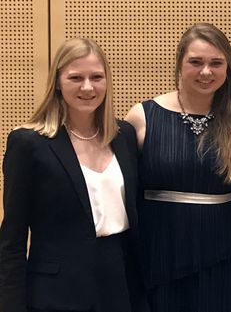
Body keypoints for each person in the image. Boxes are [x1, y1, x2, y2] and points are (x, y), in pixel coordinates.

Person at [0, 38, 147, 312]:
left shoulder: (123, 136)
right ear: (57, 82)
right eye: (76, 78)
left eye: (96, 77)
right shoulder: (29, 144)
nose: (88, 87)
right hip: (56, 293)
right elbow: (12, 240)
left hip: (119, 285)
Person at [124, 23, 231, 311]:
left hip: (225, 254)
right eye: (196, 62)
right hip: (159, 251)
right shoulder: (143, 116)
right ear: (180, 63)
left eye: (216, 63)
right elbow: (125, 196)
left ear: (227, 68)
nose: (206, 71)